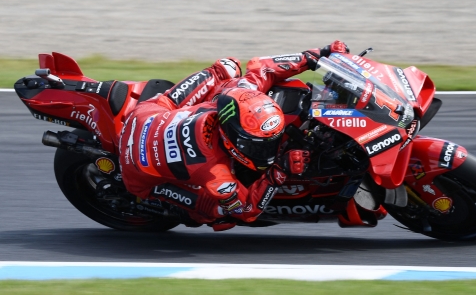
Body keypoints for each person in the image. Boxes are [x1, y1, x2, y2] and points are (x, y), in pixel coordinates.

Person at [118, 41, 350, 231]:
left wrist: (320, 55)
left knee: (227, 68)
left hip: (150, 113)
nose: (268, 152)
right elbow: (246, 211)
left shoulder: (238, 93)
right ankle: (158, 201)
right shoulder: (215, 173)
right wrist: (278, 172)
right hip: (137, 171)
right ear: (231, 138)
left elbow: (264, 67)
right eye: (259, 146)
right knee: (221, 214)